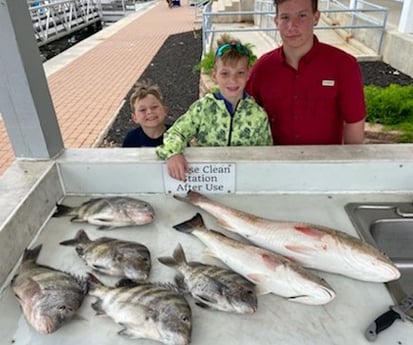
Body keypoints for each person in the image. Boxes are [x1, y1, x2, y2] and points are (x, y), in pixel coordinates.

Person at [245, 0, 366, 145]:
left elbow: (354, 122)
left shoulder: (344, 65)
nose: (292, 26)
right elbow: (243, 113)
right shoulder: (263, 68)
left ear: (316, 18)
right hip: (275, 163)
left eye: (301, 16)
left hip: (325, 164)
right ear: (276, 21)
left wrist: (350, 165)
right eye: (285, 17)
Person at [156, 38, 273, 182]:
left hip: (244, 182)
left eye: (240, 73)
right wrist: (173, 154)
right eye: (225, 73)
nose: (233, 80)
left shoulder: (258, 115)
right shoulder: (203, 108)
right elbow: (176, 132)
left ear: (248, 74)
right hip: (208, 181)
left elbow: (266, 154)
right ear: (214, 75)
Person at [122, 81, 169, 148]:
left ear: (165, 110)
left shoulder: (177, 135)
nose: (149, 112)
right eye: (142, 110)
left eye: (154, 107)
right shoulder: (131, 139)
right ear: (135, 118)